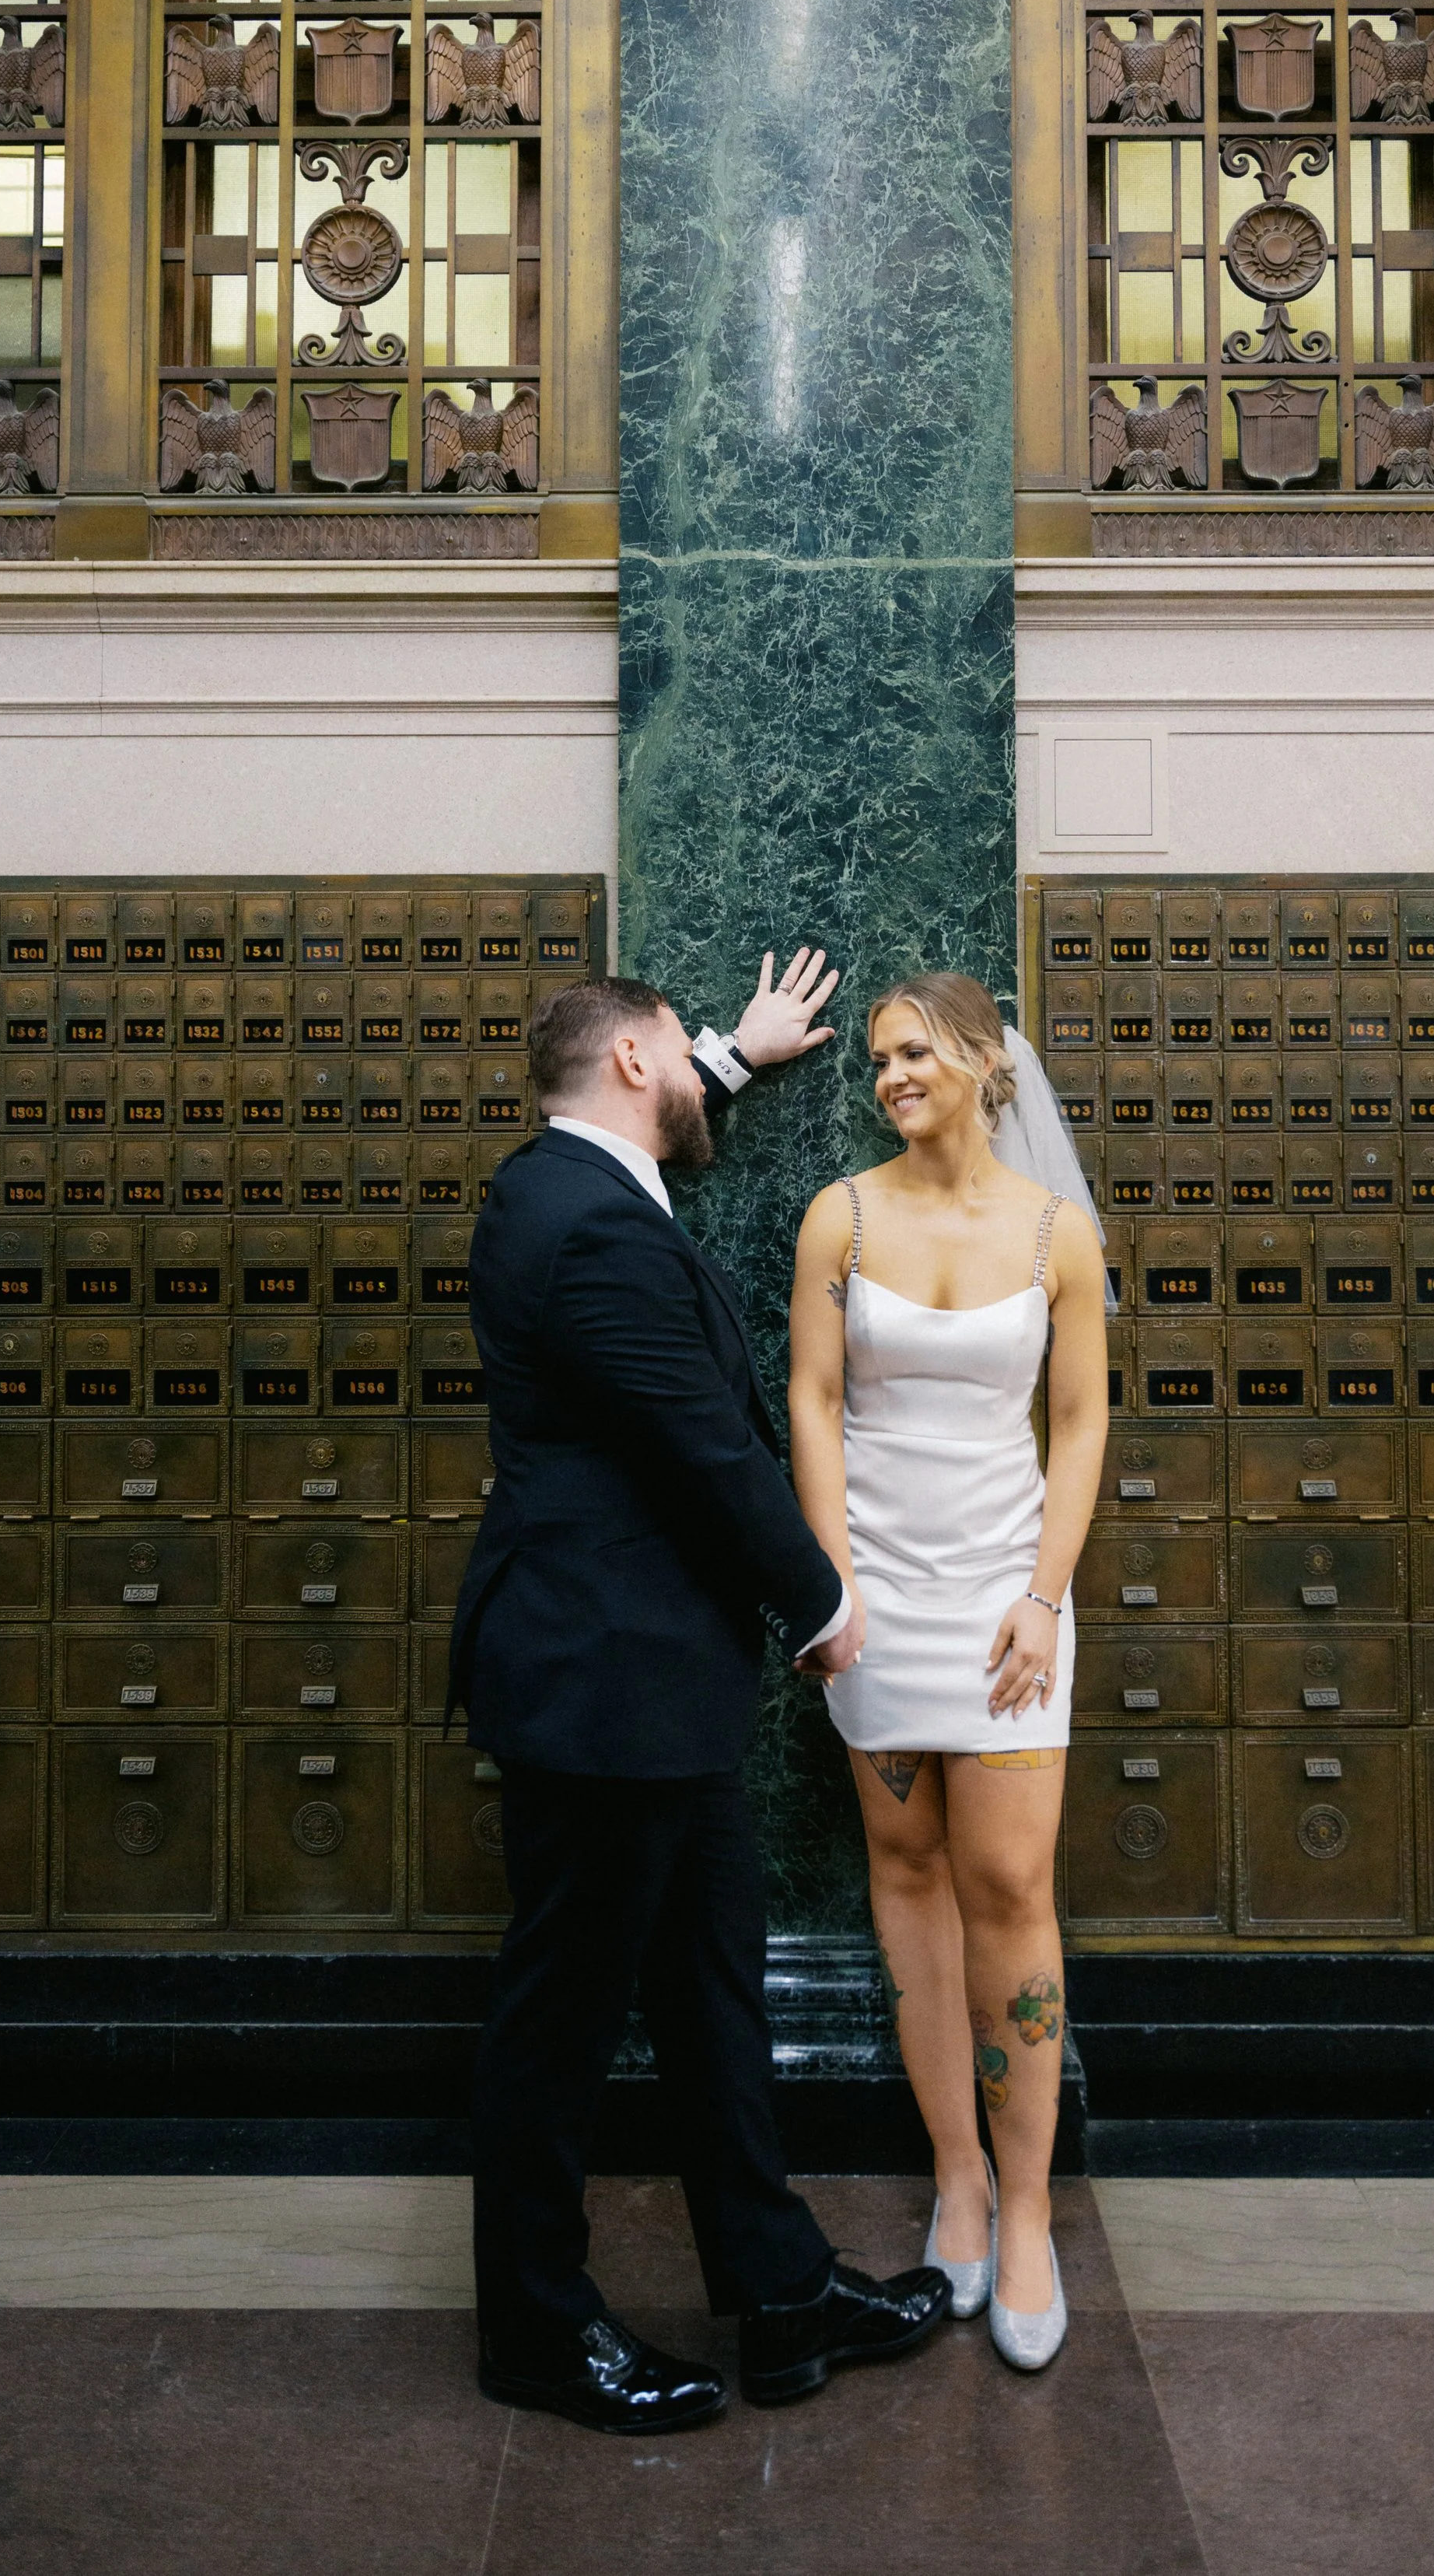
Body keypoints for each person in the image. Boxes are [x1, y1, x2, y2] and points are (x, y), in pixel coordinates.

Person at [450, 952, 950, 2436]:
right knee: (560, 2023)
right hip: (603, 1684)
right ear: (626, 1062)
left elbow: (650, 1116)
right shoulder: (586, 1229)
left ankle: (780, 2293)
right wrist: (823, 1599)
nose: (695, 1060)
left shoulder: (567, 1188)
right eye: (678, 1042)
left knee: (716, 1993)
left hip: (647, 1686)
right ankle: (538, 2329)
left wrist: (725, 1055)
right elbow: (700, 1446)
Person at [788, 974, 1108, 2373]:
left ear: (984, 1062)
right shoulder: (841, 1216)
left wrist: (1046, 1598)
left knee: (1012, 1889)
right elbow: (810, 1398)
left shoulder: (1056, 1231)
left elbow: (1084, 1419)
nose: (891, 1075)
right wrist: (828, 1584)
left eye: (915, 1051)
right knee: (907, 1875)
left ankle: (1029, 2208)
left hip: (1005, 1606)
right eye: (878, 1059)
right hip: (879, 1604)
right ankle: (959, 2179)